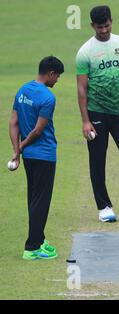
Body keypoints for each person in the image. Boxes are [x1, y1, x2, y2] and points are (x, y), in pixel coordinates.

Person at [76, 5, 119, 222]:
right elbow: (82, 88)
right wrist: (86, 121)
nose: (103, 30)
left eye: (106, 25)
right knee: (97, 160)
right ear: (92, 25)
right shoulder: (85, 51)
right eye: (99, 27)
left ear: (111, 21)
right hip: (96, 113)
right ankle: (104, 207)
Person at [9, 56, 64, 260]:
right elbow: (38, 131)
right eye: (57, 76)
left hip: (30, 158)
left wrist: (17, 150)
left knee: (33, 198)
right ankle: (32, 248)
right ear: (50, 73)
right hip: (44, 155)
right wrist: (20, 147)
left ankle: (39, 239)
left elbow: (13, 122)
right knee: (41, 201)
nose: (57, 80)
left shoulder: (23, 90)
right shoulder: (47, 98)